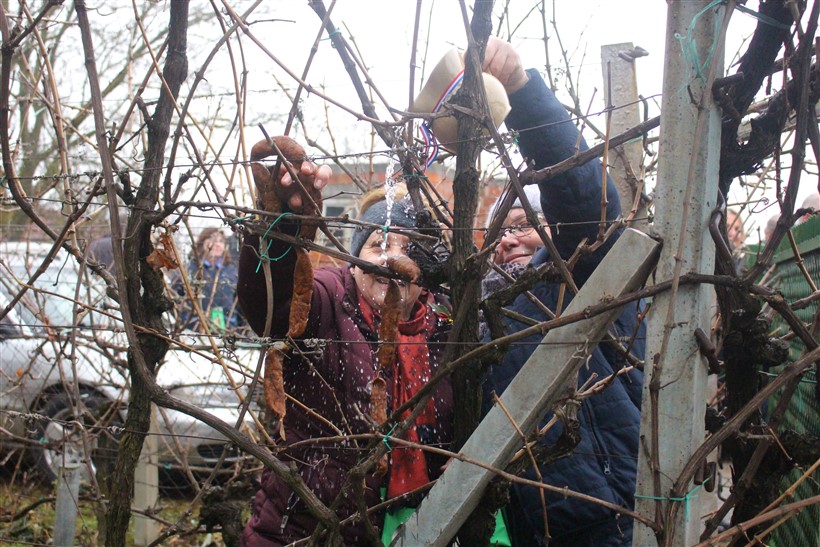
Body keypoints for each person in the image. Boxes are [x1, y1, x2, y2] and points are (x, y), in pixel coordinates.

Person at [479, 39, 645, 546]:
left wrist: (522, 97)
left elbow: (580, 197)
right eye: (498, 232)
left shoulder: (582, 271)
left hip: (631, 509)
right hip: (542, 531)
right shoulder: (481, 317)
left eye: (522, 224)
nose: (508, 240)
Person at [237, 175, 455, 543]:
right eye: (378, 245)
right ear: (354, 260)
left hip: (421, 529)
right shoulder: (328, 297)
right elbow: (274, 303)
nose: (392, 259)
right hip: (304, 531)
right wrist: (281, 222)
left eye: (409, 248)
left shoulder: (447, 323)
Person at [176, 227, 244, 331]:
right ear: (202, 243)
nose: (218, 244)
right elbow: (177, 298)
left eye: (221, 241)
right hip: (194, 329)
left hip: (228, 329)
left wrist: (238, 327)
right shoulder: (190, 269)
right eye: (213, 241)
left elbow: (240, 303)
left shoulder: (233, 271)